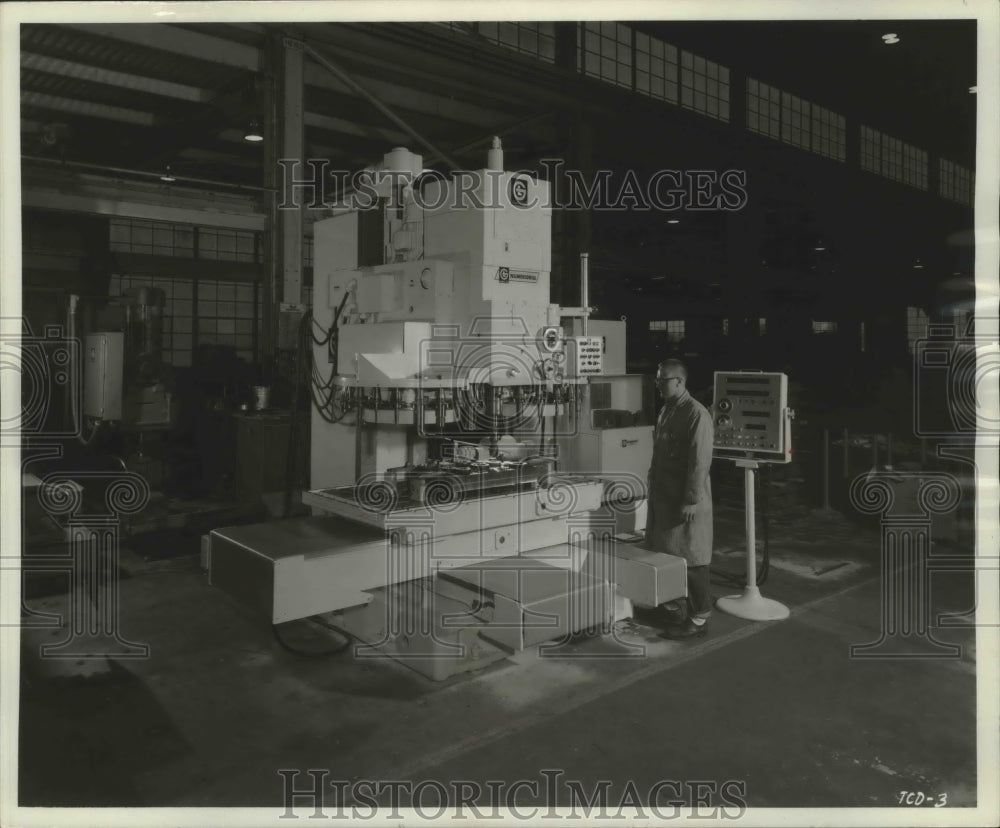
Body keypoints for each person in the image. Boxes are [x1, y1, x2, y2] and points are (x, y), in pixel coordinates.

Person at [646, 359, 715, 639]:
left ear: (680, 382)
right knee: (667, 554)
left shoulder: (696, 414)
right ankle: (674, 606)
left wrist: (691, 499)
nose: (659, 385)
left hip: (686, 499)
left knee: (693, 559)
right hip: (664, 496)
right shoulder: (667, 410)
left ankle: (699, 618)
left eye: (664, 380)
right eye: (658, 380)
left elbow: (699, 462)